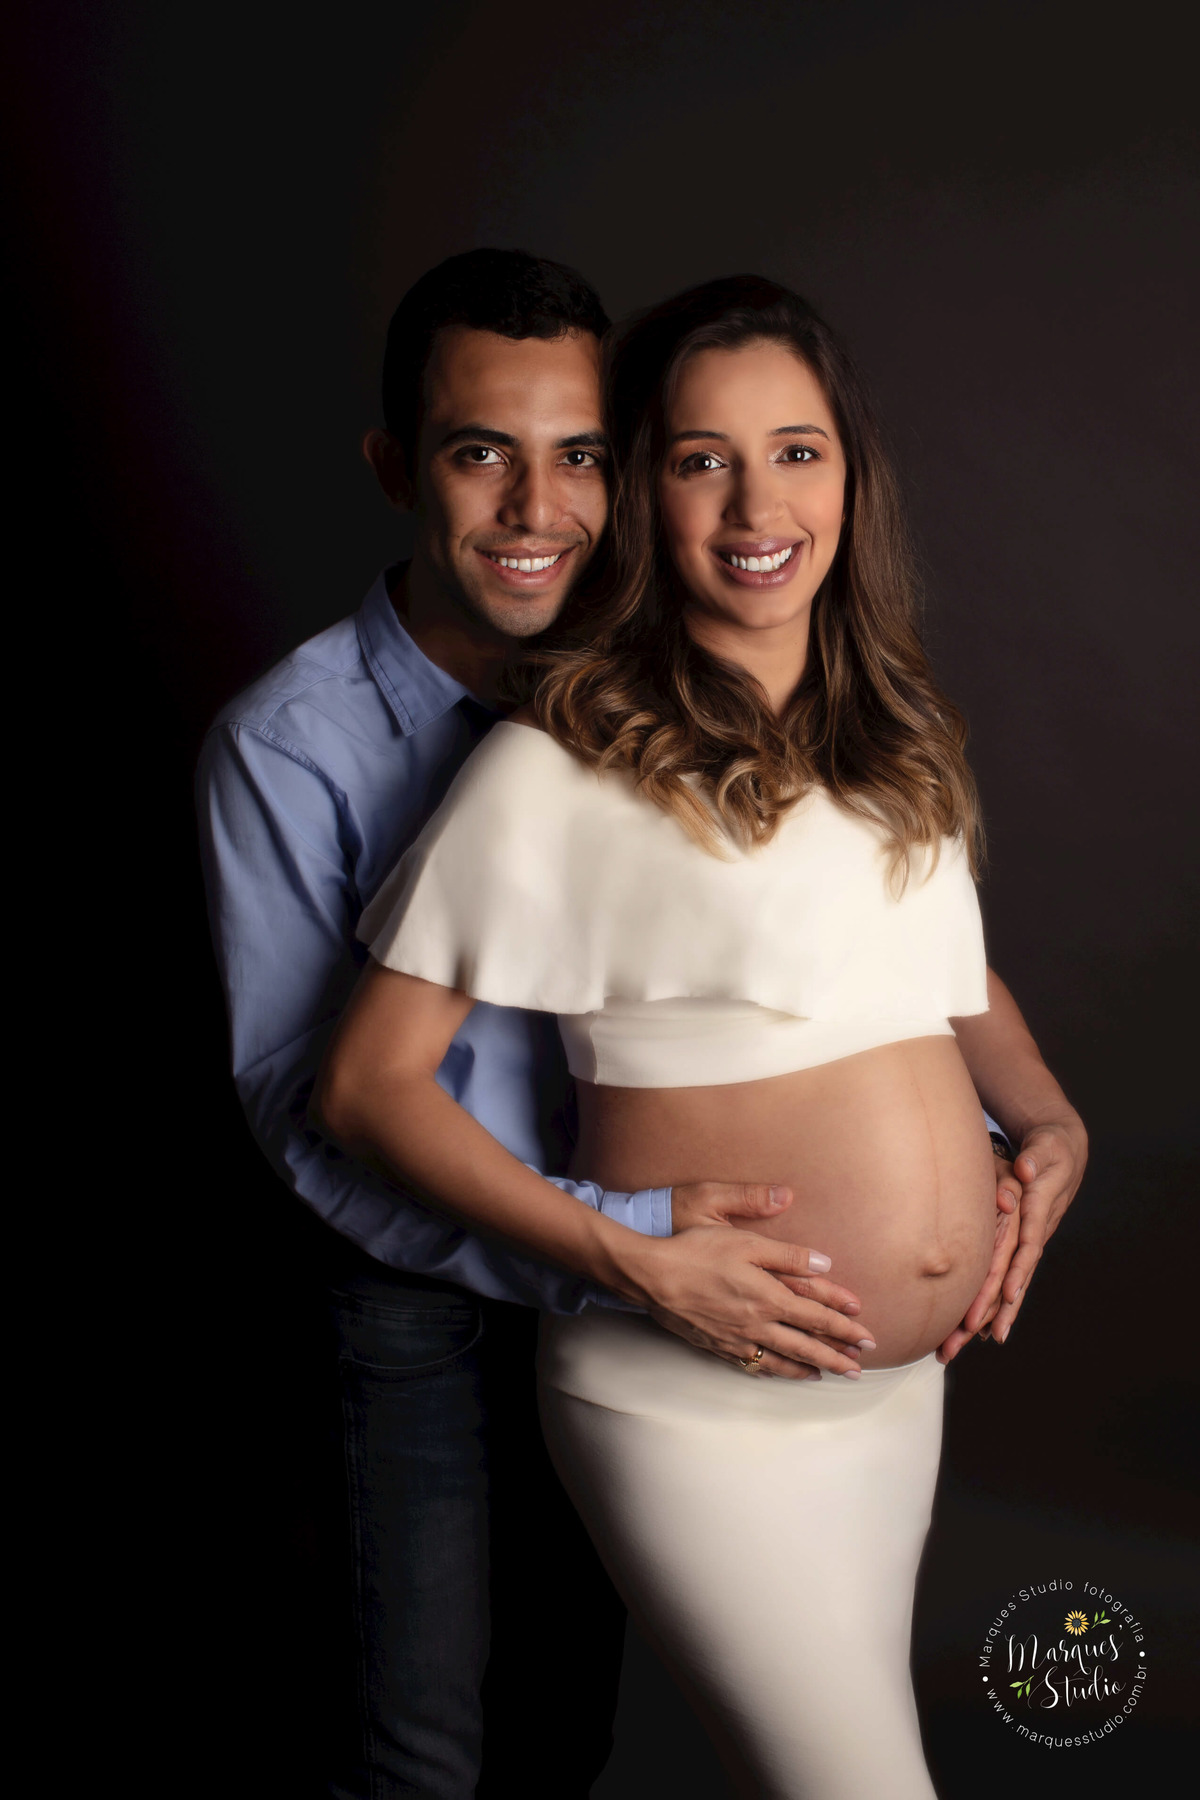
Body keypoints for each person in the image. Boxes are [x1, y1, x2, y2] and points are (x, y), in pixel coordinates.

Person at [315, 275, 1088, 1797]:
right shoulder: (564, 763)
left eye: (796, 451)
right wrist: (631, 1257)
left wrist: (1051, 1123)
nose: (755, 502)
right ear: (649, 495)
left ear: (850, 478)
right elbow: (364, 1087)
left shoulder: (892, 741)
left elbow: (949, 986)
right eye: (697, 459)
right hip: (695, 1395)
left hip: (891, 1393)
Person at [198, 249, 879, 1800]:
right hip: (423, 1301)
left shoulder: (662, 697)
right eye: (477, 452)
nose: (536, 508)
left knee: (574, 1715)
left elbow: (817, 945)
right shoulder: (285, 747)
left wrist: (997, 1126)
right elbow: (306, 1107)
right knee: (426, 1737)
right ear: (394, 467)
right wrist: (610, 1235)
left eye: (579, 455)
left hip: (638, 1288)